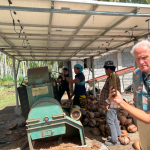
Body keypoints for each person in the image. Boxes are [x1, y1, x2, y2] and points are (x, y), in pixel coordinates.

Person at [108, 40, 150, 150]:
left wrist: (121, 102)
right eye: (137, 58)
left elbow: (148, 118)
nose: (141, 62)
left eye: (145, 57)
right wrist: (114, 99)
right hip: (141, 122)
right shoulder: (136, 74)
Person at [99, 61, 121, 146]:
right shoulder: (113, 76)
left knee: (110, 121)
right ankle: (117, 135)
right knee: (114, 119)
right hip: (114, 103)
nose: (105, 71)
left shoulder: (112, 77)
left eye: (105, 69)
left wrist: (107, 103)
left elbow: (112, 91)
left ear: (108, 69)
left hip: (112, 103)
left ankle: (114, 141)